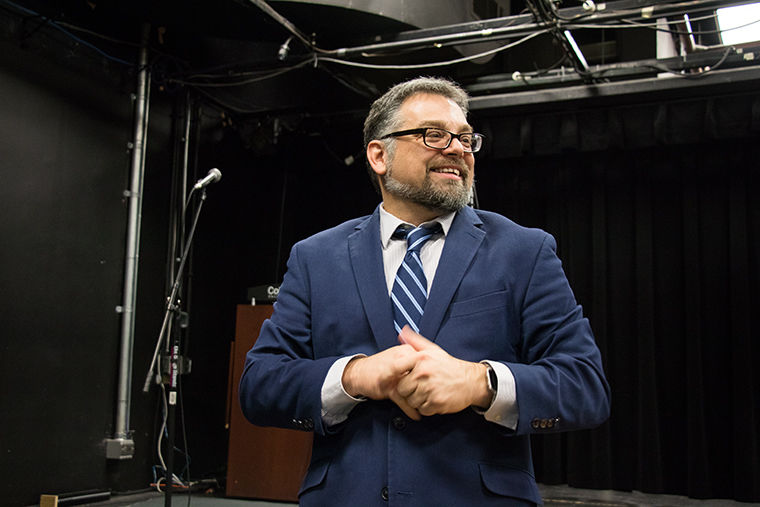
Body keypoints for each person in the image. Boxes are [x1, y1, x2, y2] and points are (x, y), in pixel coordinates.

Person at [239, 76, 610, 506]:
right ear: (379, 155)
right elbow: (260, 386)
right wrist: (352, 376)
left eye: (467, 138)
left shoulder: (525, 251)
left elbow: (585, 386)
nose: (457, 148)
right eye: (434, 135)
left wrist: (479, 382)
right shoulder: (315, 256)